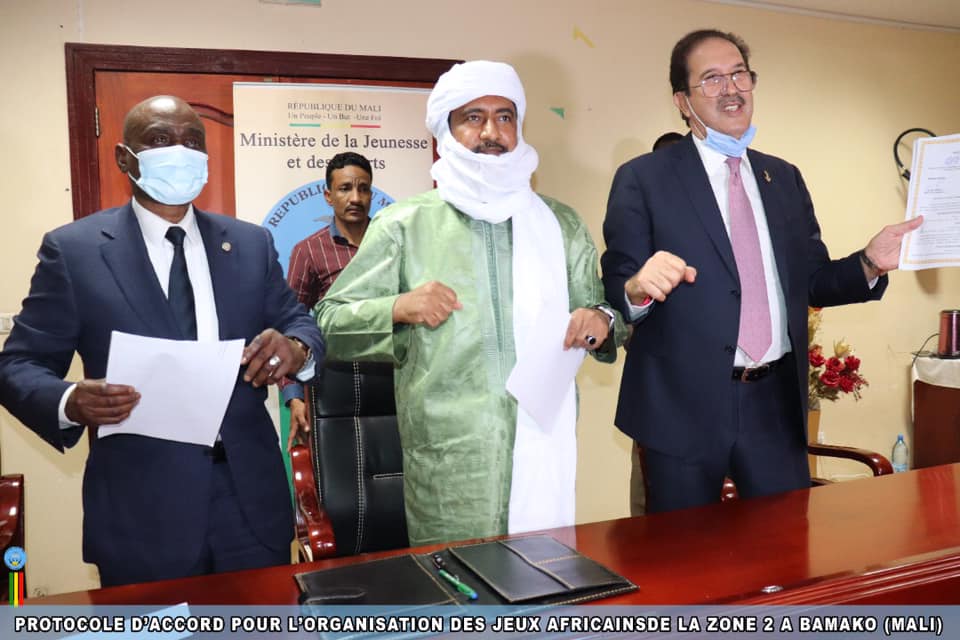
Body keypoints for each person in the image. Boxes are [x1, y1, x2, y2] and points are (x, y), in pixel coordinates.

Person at [0, 95, 325, 587]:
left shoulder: (249, 243)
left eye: (193, 141)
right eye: (159, 139)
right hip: (141, 511)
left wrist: (296, 348)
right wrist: (69, 401)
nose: (180, 151)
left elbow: (300, 322)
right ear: (124, 158)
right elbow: (17, 365)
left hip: (249, 503)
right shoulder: (74, 251)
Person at [601, 30, 922, 514]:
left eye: (739, 74)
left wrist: (869, 262)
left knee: (785, 546)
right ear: (682, 101)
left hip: (773, 404)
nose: (731, 89)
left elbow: (811, 281)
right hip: (681, 407)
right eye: (712, 79)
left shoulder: (783, 178)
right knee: (686, 554)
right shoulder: (644, 178)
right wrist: (637, 287)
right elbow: (617, 284)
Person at [317, 60, 624, 546]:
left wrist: (601, 319)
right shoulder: (405, 224)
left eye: (505, 117)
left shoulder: (561, 224)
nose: (491, 133)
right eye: (473, 117)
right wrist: (398, 307)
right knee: (458, 588)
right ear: (446, 129)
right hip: (449, 466)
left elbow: (602, 314)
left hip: (543, 449)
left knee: (546, 580)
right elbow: (329, 324)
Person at [282, 152, 373, 446]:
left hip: (396, 380)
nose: (355, 198)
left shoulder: (392, 242)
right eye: (345, 188)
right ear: (328, 196)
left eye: (363, 188)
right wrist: (294, 396)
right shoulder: (309, 251)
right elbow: (291, 325)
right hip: (335, 387)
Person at [629, 130, 685, 518]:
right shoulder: (637, 235)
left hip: (725, 397)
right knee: (652, 505)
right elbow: (622, 314)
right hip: (659, 392)